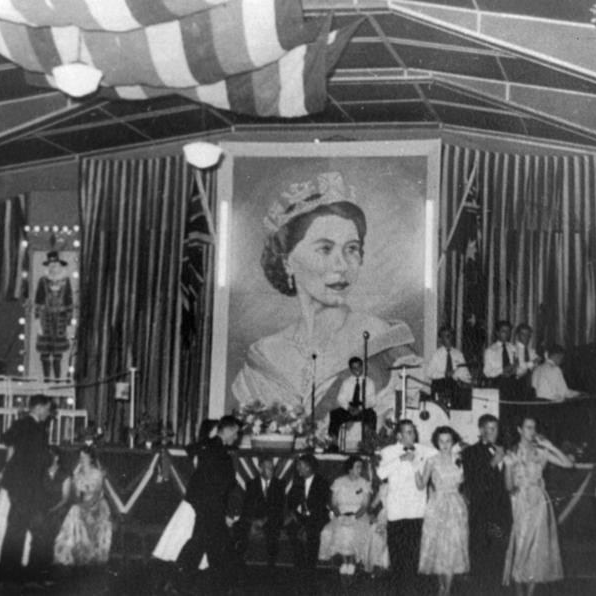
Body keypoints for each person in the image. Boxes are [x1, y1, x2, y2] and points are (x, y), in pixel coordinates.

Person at [231, 171, 417, 420]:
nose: (341, 265)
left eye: (352, 249)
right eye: (325, 249)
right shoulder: (264, 355)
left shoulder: (382, 339)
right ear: (288, 262)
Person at [502, 416, 573, 595]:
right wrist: (510, 468)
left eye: (534, 428)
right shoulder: (511, 453)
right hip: (520, 502)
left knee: (536, 550)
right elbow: (509, 487)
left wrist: (549, 446)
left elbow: (568, 464)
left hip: (539, 503)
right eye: (528, 427)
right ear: (519, 430)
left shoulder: (541, 452)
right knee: (521, 549)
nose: (532, 431)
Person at [0, 394, 54, 585]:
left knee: (18, 529)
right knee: (33, 529)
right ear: (38, 408)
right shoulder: (33, 426)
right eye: (47, 408)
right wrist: (48, 461)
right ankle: (28, 574)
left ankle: (10, 573)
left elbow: (7, 439)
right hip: (26, 486)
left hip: (23, 485)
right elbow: (39, 457)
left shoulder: (27, 424)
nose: (48, 412)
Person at [177, 416, 242, 588]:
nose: (236, 437)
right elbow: (225, 481)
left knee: (208, 541)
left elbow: (191, 449)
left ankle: (184, 578)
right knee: (205, 541)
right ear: (227, 431)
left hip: (205, 502)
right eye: (235, 433)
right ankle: (181, 578)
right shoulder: (218, 451)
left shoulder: (210, 446)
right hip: (211, 503)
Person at [377, 419, 437, 595]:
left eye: (413, 431)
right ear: (399, 435)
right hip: (396, 512)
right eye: (408, 432)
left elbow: (442, 452)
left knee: (413, 556)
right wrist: (402, 459)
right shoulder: (388, 451)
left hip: (416, 511)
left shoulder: (424, 450)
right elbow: (381, 473)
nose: (412, 435)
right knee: (397, 556)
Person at [417, 426, 469, 596]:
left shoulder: (459, 459)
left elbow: (464, 484)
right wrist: (414, 467)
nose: (445, 444)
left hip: (455, 506)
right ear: (436, 442)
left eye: (448, 440)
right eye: (441, 441)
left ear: (453, 441)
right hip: (437, 506)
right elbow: (421, 485)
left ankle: (447, 589)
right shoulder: (431, 460)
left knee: (453, 547)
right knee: (439, 548)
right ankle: (442, 587)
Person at [464, 414, 512, 592]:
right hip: (482, 515)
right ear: (481, 430)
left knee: (498, 555)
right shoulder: (470, 452)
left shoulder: (503, 450)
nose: (493, 432)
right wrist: (494, 462)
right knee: (480, 556)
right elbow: (473, 484)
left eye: (495, 428)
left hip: (500, 514)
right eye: (489, 429)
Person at [54, 446, 112, 565]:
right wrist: (75, 479)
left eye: (85, 457)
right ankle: (67, 554)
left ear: (90, 458)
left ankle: (93, 555)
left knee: (79, 510)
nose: (82, 459)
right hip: (83, 504)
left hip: (97, 505)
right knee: (74, 510)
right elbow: (77, 496)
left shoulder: (97, 473)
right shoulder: (78, 474)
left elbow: (97, 494)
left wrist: (87, 506)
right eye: (80, 457)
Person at [318, 456, 371, 578]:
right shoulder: (339, 482)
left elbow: (365, 506)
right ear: (350, 468)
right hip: (341, 514)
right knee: (332, 530)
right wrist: (339, 516)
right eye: (357, 467)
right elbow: (334, 504)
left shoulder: (364, 483)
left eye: (361, 467)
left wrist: (354, 517)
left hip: (359, 515)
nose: (360, 469)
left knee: (350, 530)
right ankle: (344, 561)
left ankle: (352, 561)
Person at [234, 457, 285, 567]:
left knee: (272, 531)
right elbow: (248, 506)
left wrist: (264, 520)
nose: (271, 470)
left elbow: (278, 507)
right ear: (260, 469)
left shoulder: (279, 484)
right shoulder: (251, 484)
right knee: (238, 528)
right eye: (268, 468)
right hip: (254, 518)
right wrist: (253, 521)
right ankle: (238, 563)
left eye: (272, 468)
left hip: (271, 518)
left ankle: (271, 566)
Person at [286, 453, 330, 573]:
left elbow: (320, 506)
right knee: (291, 528)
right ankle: (299, 563)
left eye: (300, 465)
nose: (297, 468)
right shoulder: (298, 481)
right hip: (301, 516)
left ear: (308, 467)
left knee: (312, 532)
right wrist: (293, 514)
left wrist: (306, 524)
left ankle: (310, 567)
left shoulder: (322, 482)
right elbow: (290, 501)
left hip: (316, 516)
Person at [34, 250, 74, 380]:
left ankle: (57, 380)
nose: (53, 266)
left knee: (58, 353)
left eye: (55, 264)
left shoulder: (66, 281)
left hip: (60, 320)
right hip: (45, 319)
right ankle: (46, 379)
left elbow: (69, 302)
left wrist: (68, 324)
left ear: (59, 265)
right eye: (51, 264)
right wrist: (37, 321)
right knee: (45, 352)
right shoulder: (43, 281)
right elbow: (38, 301)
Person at [31, 447, 70, 569]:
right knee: (37, 520)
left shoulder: (65, 475)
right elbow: (36, 492)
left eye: (50, 456)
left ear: (56, 457)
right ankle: (37, 559)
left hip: (59, 506)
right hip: (43, 506)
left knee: (54, 522)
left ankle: (50, 559)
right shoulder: (41, 472)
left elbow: (65, 498)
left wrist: (53, 509)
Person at [328, 357, 378, 445]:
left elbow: (372, 400)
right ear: (350, 369)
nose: (357, 370)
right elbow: (340, 398)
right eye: (354, 368)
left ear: (362, 367)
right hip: (349, 409)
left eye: (359, 367)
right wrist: (349, 408)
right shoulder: (346, 382)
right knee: (334, 414)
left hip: (363, 409)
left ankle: (369, 443)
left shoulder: (369, 382)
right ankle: (332, 443)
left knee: (372, 415)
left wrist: (360, 408)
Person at [426, 325, 472, 409]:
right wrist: (445, 374)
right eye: (446, 336)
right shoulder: (436, 354)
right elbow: (429, 373)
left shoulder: (458, 354)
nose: (449, 338)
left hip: (455, 386)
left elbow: (466, 374)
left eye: (450, 336)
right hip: (440, 385)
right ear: (441, 339)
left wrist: (462, 377)